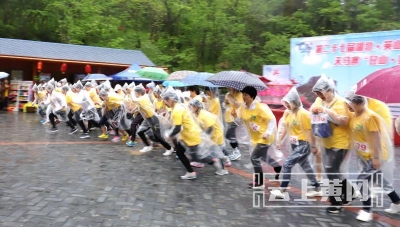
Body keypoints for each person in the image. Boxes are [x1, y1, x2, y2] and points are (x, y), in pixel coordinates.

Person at [345, 93, 400, 222]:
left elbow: (376, 139)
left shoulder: (371, 117)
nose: (348, 107)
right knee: (381, 181)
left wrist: (376, 158)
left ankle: (367, 210)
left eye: (350, 104)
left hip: (376, 155)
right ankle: (397, 202)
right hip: (365, 156)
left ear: (359, 103)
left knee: (361, 181)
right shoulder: (354, 116)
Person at [310, 75, 352, 213]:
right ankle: (350, 192)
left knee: (329, 169)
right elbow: (313, 110)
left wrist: (327, 111)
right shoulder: (318, 100)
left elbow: (345, 121)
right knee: (334, 170)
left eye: (321, 92)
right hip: (327, 140)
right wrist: (315, 111)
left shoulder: (341, 102)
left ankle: (336, 202)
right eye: (317, 93)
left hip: (341, 142)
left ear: (329, 90)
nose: (319, 96)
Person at [162, 88, 225, 179]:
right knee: (181, 153)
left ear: (170, 99)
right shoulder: (179, 106)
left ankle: (214, 161)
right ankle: (191, 172)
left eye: (165, 100)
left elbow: (177, 128)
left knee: (198, 157)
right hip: (188, 135)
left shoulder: (176, 110)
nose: (165, 103)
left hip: (191, 136)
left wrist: (169, 135)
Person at [272, 87, 321, 197]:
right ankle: (317, 187)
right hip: (295, 144)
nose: (287, 105)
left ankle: (282, 190)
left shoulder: (303, 114)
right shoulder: (288, 113)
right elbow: (284, 127)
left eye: (289, 103)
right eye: (286, 103)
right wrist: (279, 140)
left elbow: (309, 132)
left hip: (304, 144)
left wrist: (313, 146)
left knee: (287, 163)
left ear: (295, 102)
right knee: (306, 166)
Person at [231, 86, 282, 189]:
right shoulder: (242, 108)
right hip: (254, 138)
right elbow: (240, 122)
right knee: (261, 156)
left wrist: (267, 132)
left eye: (246, 95)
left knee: (254, 157)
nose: (243, 97)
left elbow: (271, 119)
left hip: (264, 137)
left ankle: (260, 182)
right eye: (243, 94)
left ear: (252, 96)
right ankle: (277, 166)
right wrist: (235, 116)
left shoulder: (260, 107)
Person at [189, 99, 231, 168]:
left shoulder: (204, 115)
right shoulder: (197, 114)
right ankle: (225, 160)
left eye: (192, 106)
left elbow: (210, 127)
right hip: (211, 135)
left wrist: (205, 137)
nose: (191, 108)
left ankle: (223, 167)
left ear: (196, 107)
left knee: (214, 152)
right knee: (212, 151)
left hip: (215, 135)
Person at [132, 84, 174, 154]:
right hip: (147, 119)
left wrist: (131, 92)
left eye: (135, 93)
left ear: (139, 93)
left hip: (152, 119)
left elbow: (134, 100)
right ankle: (148, 146)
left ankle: (169, 148)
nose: (135, 94)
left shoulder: (143, 98)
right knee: (140, 132)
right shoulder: (142, 99)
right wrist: (133, 110)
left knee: (158, 136)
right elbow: (139, 106)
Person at [224, 87, 243, 161]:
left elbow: (240, 105)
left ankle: (237, 152)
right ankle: (236, 152)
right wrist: (226, 102)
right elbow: (225, 106)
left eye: (229, 86)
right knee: (232, 136)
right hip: (229, 118)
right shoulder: (228, 94)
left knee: (229, 136)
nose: (228, 87)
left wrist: (231, 98)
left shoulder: (240, 94)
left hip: (236, 118)